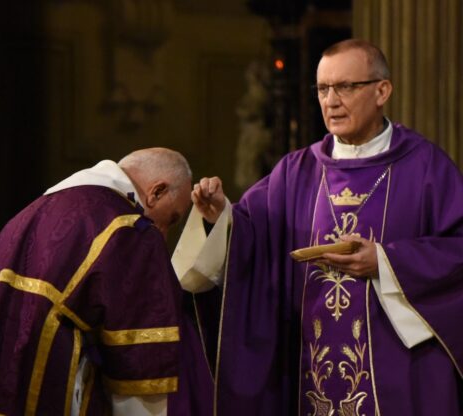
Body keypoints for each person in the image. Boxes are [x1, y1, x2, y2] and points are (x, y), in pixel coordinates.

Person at [172, 39, 463, 415]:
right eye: (323, 89)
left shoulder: (425, 167)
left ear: (382, 91)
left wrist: (387, 262)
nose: (331, 100)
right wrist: (218, 217)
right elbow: (250, 241)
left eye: (345, 86)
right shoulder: (297, 172)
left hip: (400, 379)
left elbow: (457, 252)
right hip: (310, 374)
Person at [0, 147, 208, 416]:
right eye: (171, 219)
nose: (164, 234)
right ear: (156, 191)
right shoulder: (129, 230)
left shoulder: (20, 222)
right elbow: (138, 363)